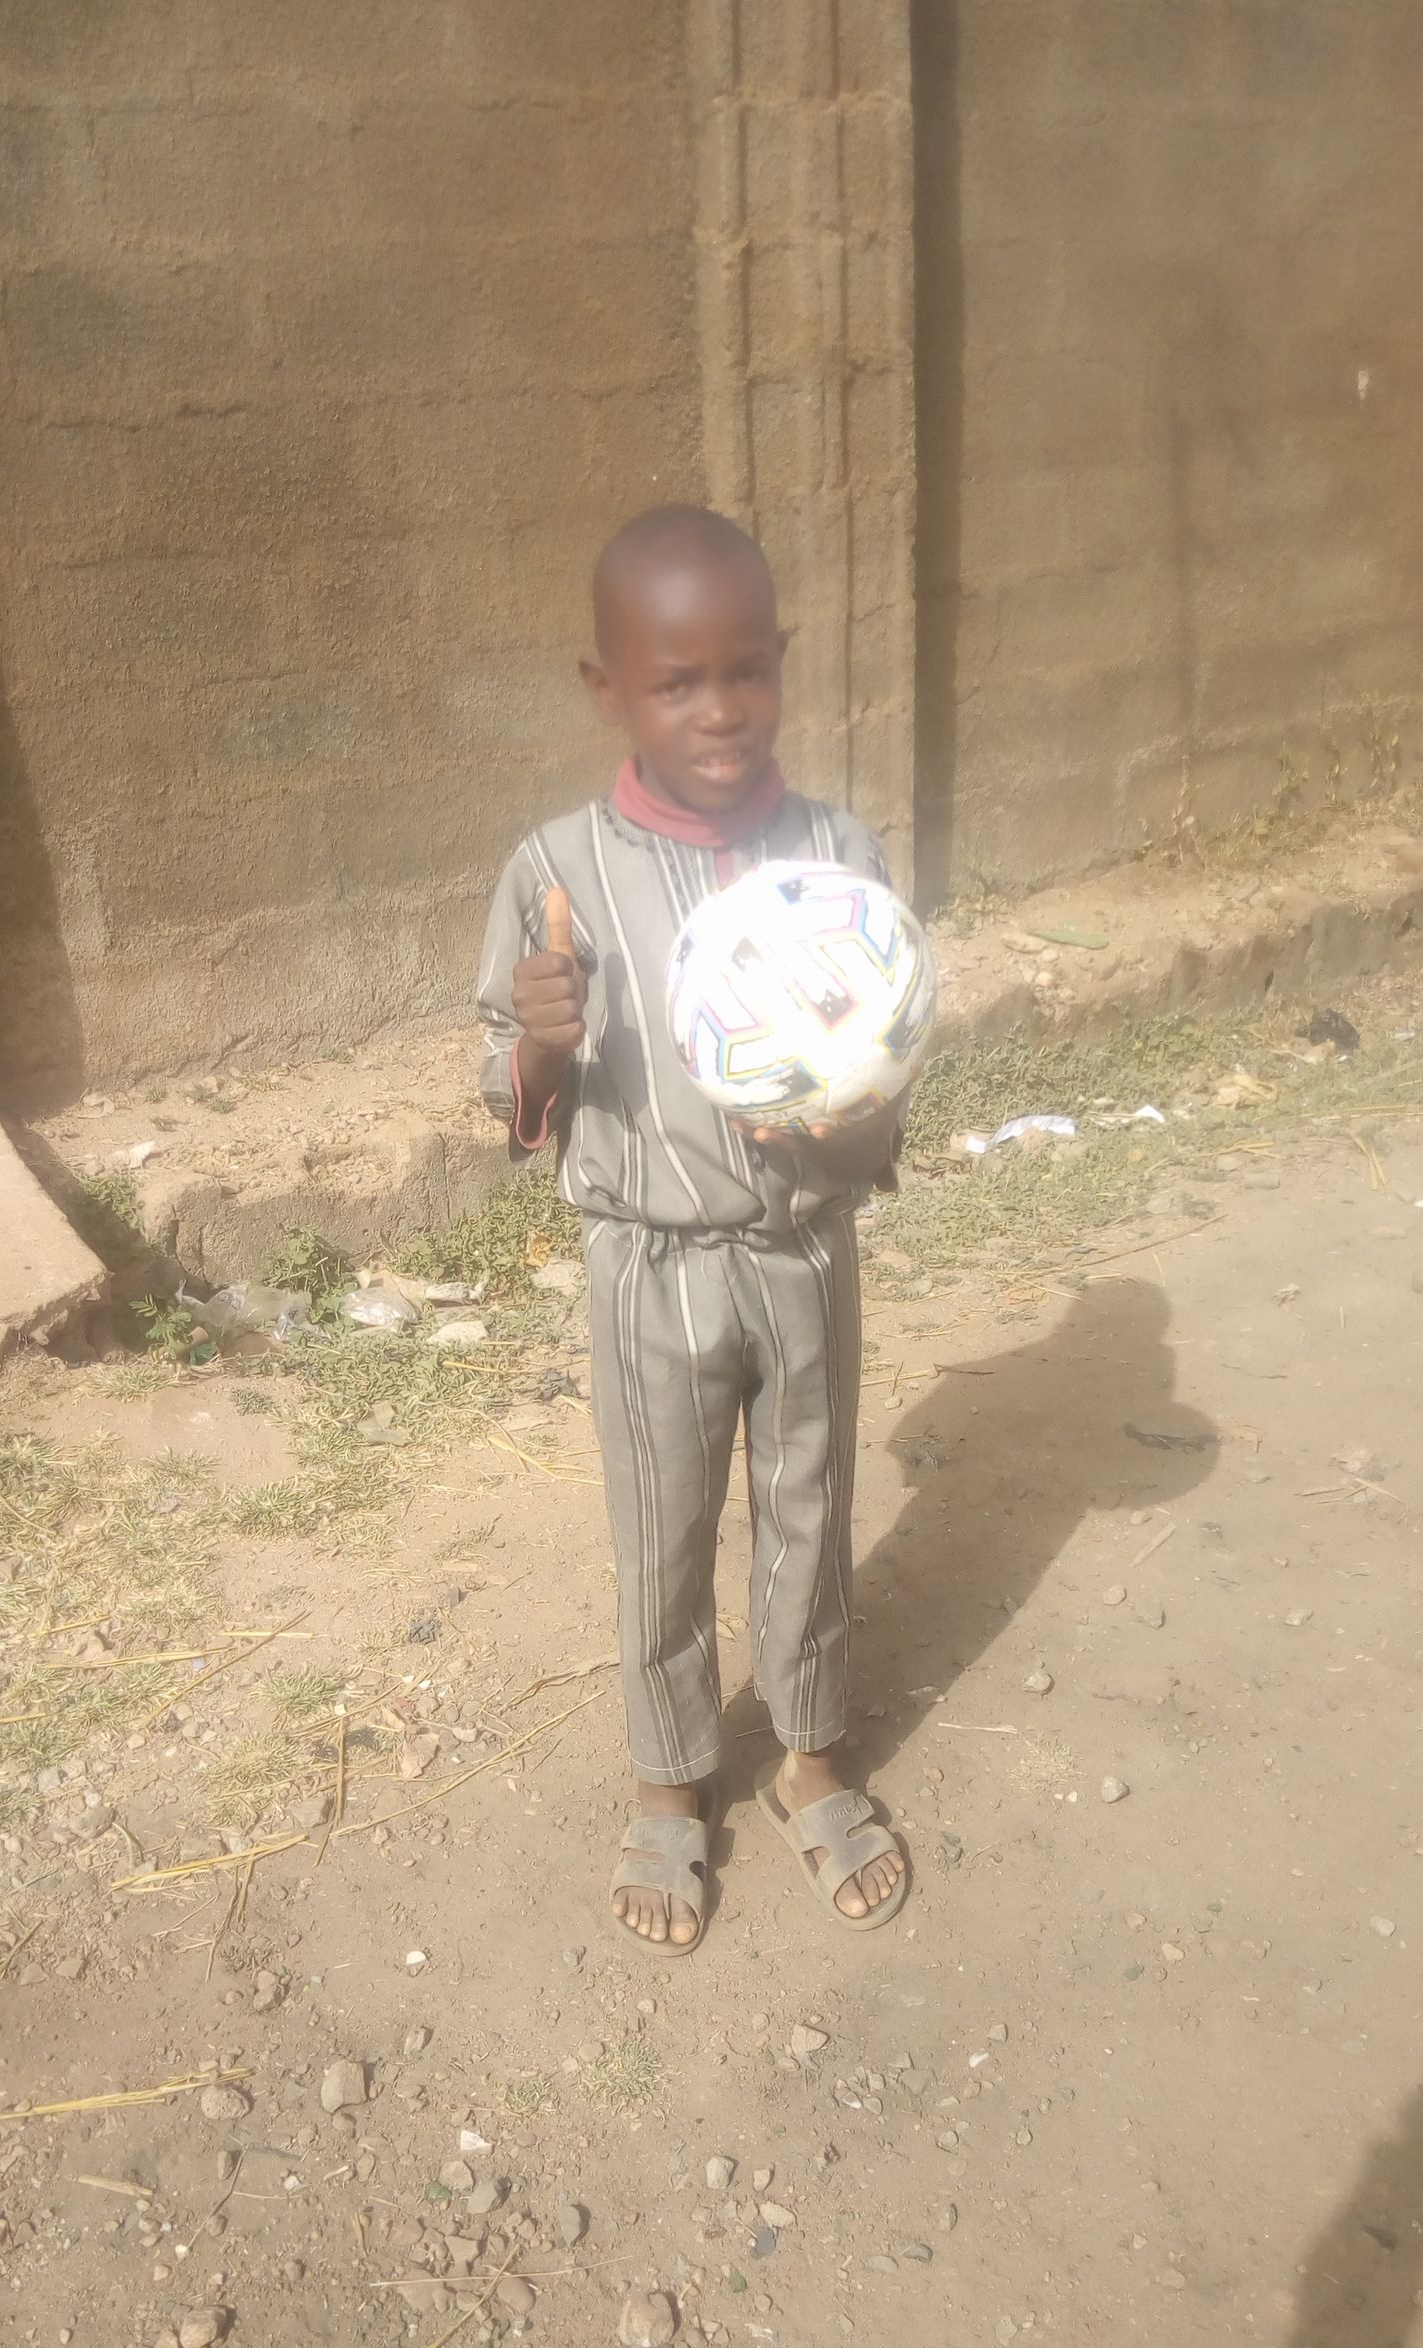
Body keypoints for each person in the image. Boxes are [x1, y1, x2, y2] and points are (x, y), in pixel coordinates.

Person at [476, 503, 913, 1954]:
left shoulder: (836, 856)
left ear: (783, 662)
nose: (719, 710)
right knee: (661, 1526)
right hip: (647, 1263)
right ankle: (670, 1782)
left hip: (802, 1251)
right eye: (677, 682)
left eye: (748, 671)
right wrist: (541, 1040)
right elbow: (510, 1095)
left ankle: (811, 1758)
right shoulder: (556, 873)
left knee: (810, 1505)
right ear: (608, 689)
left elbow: (885, 1092)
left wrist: (839, 1128)